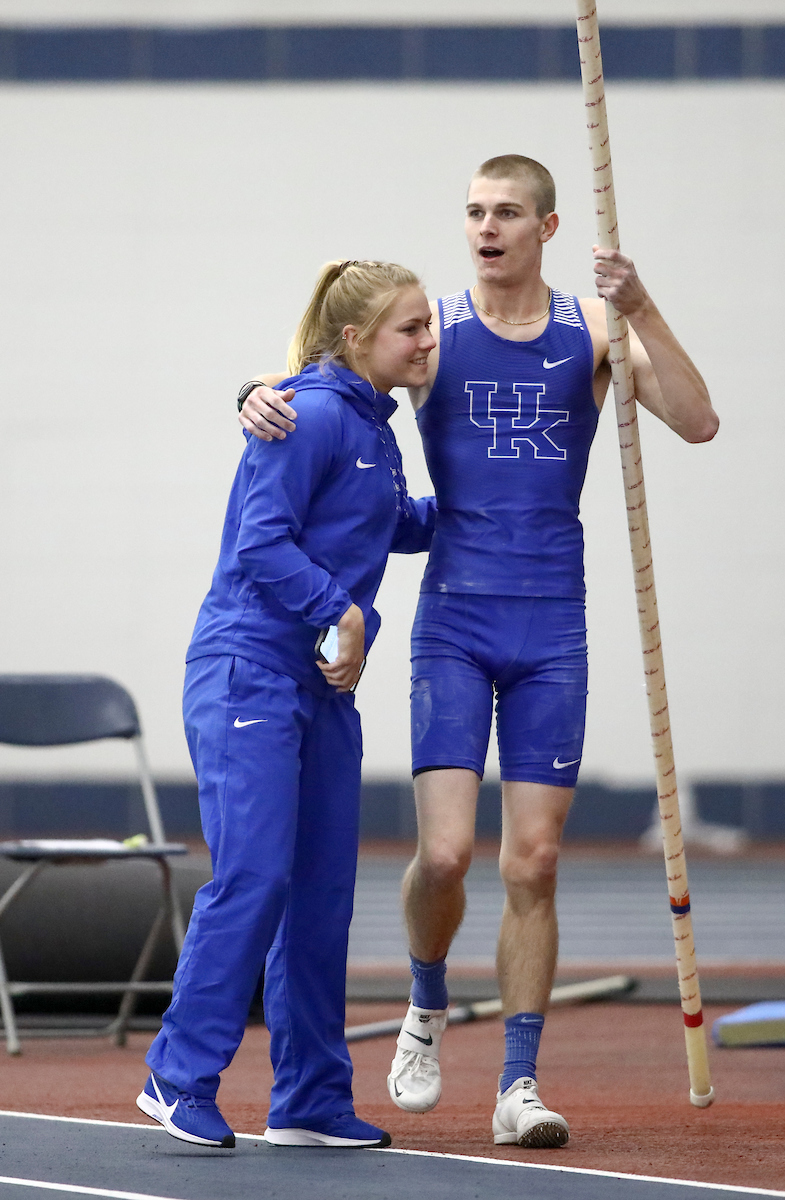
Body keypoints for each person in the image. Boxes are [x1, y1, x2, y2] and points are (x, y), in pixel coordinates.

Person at [238, 155, 719, 1150]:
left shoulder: (590, 329)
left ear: (545, 228)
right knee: (447, 856)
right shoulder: (435, 337)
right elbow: (330, 378)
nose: (484, 227)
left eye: (505, 212)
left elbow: (696, 419)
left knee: (532, 861)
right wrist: (250, 392)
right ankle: (423, 1006)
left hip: (552, 624)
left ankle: (517, 1083)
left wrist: (643, 306)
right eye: (471, 212)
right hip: (455, 618)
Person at [137, 259, 436, 1151]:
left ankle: (307, 1096)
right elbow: (260, 543)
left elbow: (390, 521)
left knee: (320, 896)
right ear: (355, 339)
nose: (428, 341)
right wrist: (342, 612)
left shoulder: (373, 428)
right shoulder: (301, 413)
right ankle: (176, 1075)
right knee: (255, 877)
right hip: (248, 675)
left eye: (428, 324)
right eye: (410, 329)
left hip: (320, 687)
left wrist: (496, 504)